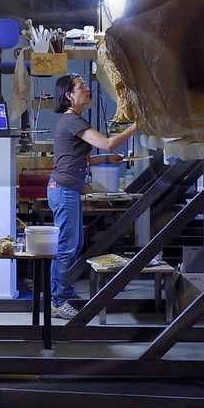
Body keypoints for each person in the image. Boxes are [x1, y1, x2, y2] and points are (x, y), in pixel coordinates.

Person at [47, 72, 137, 319]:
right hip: (63, 190)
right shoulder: (72, 121)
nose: (86, 89)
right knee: (66, 247)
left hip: (67, 189)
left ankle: (64, 292)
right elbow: (107, 143)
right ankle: (57, 300)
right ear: (69, 95)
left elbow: (81, 157)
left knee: (73, 245)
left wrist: (107, 160)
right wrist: (136, 126)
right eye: (81, 86)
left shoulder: (73, 120)